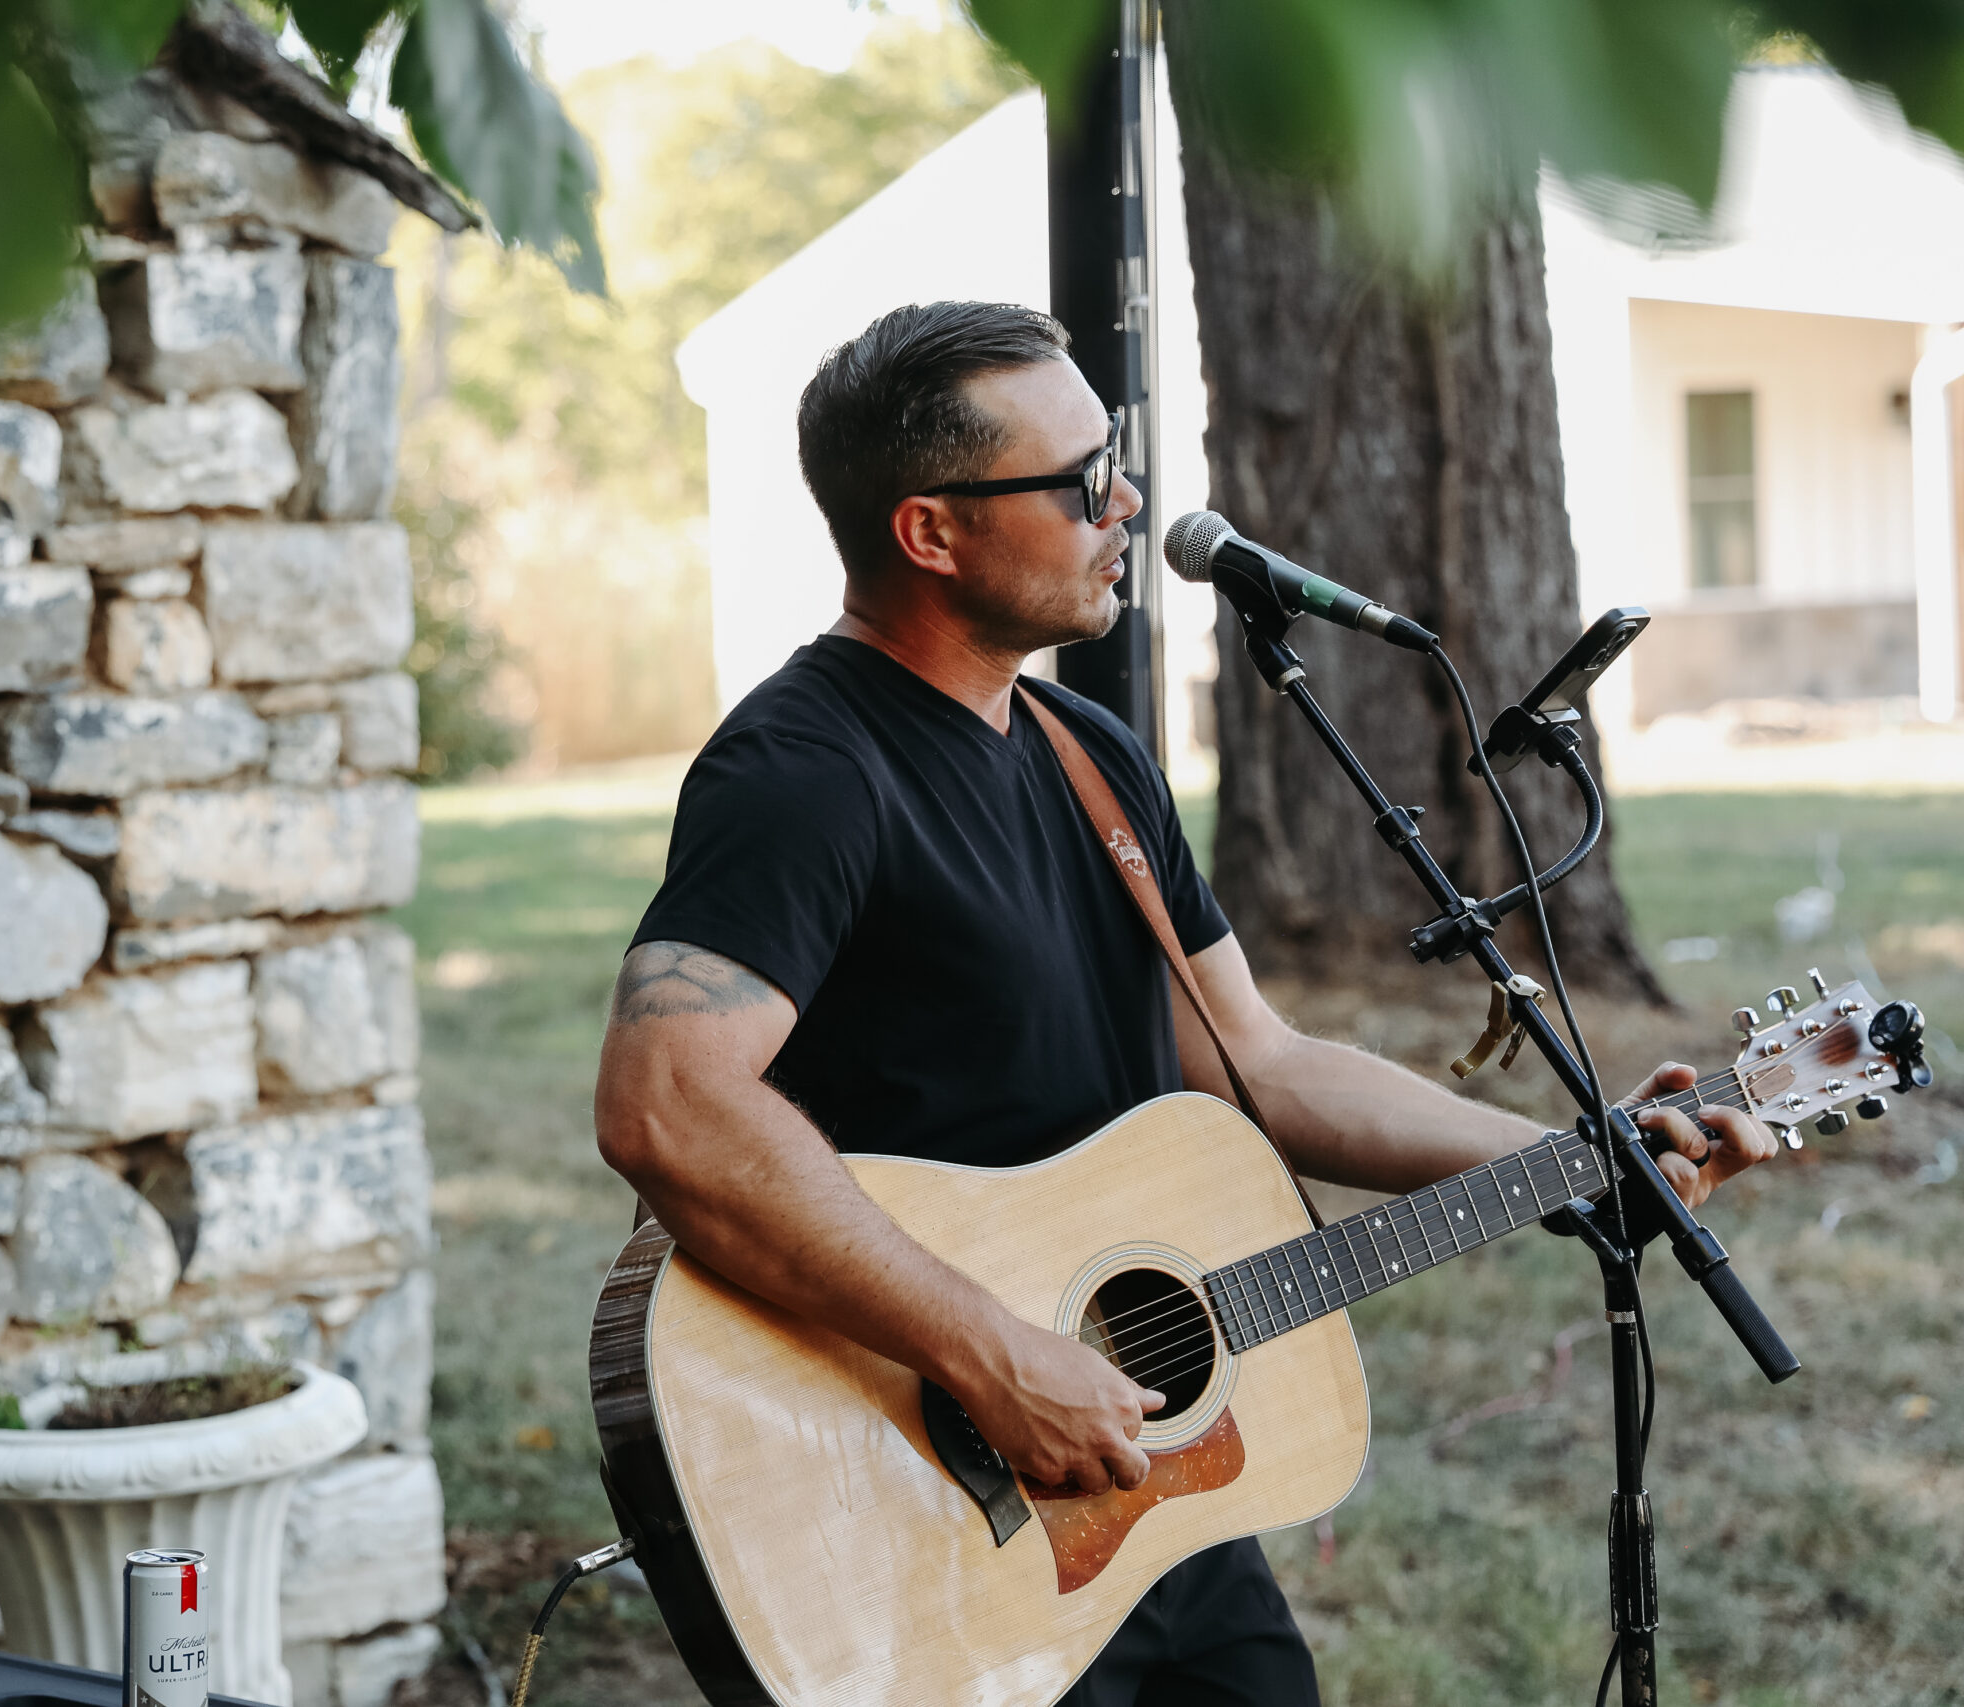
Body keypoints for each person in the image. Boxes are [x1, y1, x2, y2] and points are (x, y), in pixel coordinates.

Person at [591, 300, 1778, 1706]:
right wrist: (993, 1354)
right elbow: (670, 1105)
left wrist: (1571, 1158)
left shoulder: (1089, 756)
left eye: (1120, 460)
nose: (1129, 505)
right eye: (1082, 479)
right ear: (931, 532)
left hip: (1149, 1492)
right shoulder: (805, 771)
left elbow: (1257, 1064)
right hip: (923, 1509)